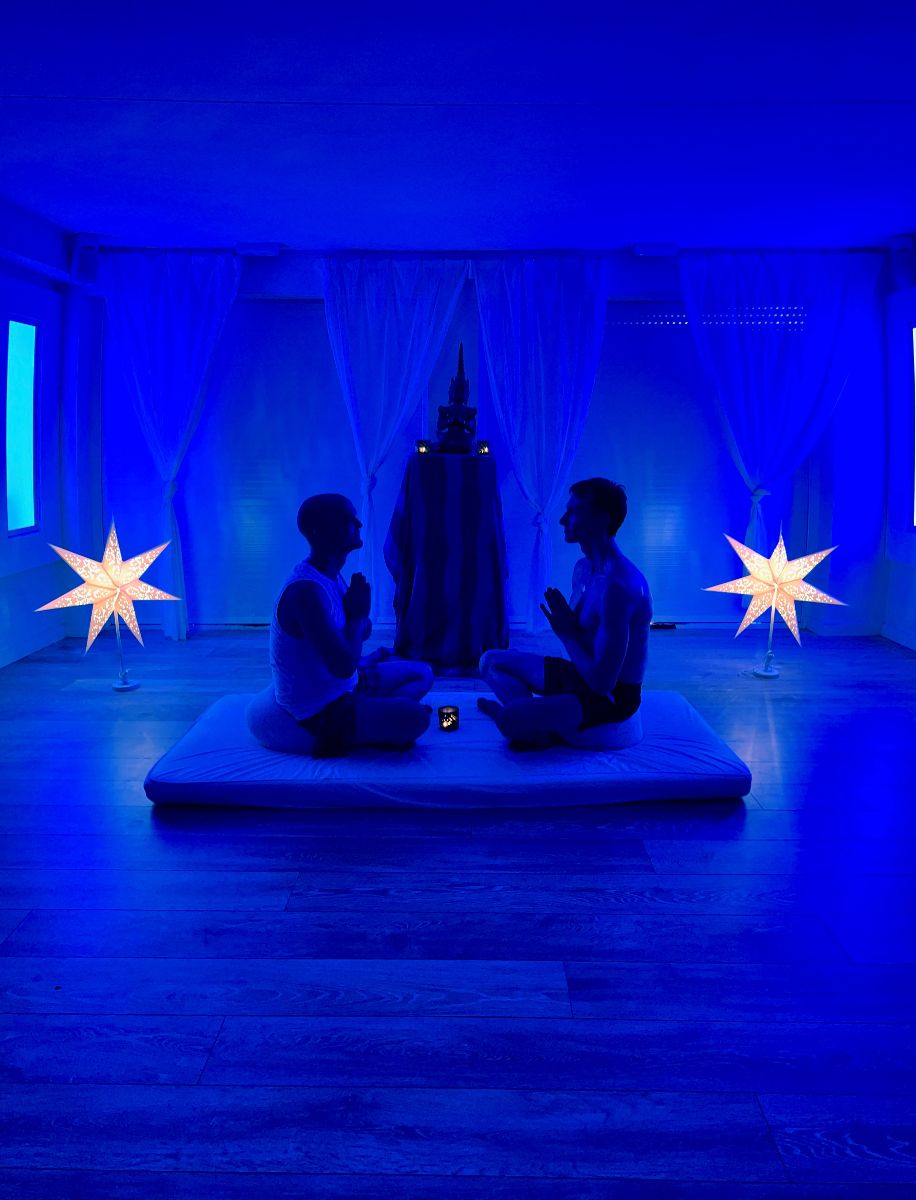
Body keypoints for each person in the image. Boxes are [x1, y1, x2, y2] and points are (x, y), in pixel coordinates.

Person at [478, 478, 652, 747]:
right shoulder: (583, 569)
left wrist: (567, 633)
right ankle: (534, 721)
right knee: (490, 661)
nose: (562, 520)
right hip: (581, 675)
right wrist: (571, 629)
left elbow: (602, 684)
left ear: (602, 519)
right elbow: (586, 644)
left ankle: (524, 720)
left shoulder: (620, 587)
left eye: (573, 512)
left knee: (510, 719)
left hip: (612, 697)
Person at [270, 493, 433, 756]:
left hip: (348, 684)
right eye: (347, 519)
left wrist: (359, 618)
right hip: (319, 707)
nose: (358, 524)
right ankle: (341, 735)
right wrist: (358, 616)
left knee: (423, 673)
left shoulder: (332, 575)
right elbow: (343, 667)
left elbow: (361, 632)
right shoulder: (306, 592)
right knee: (418, 718)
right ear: (319, 532)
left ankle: (371, 718)